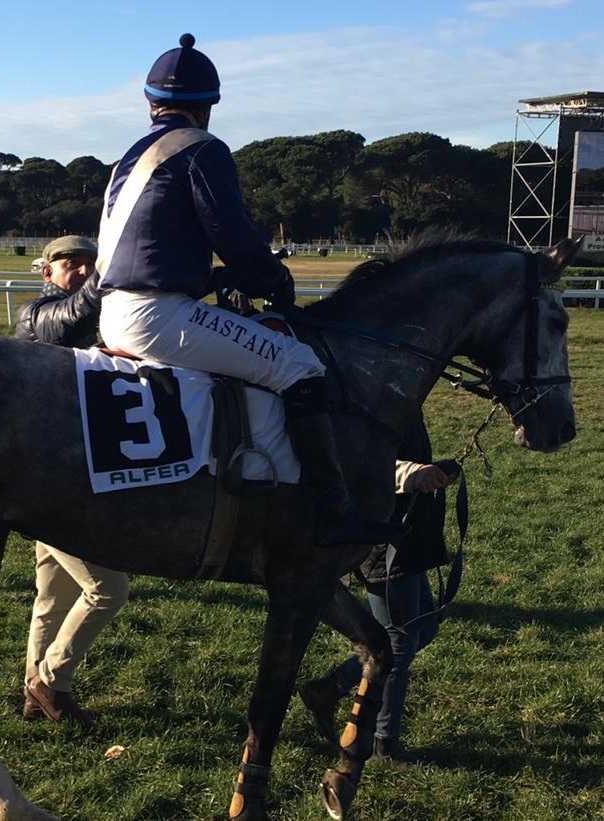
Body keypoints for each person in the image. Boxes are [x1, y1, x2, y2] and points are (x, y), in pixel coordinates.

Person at [96, 33, 403, 548]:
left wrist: (218, 279)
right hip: (159, 317)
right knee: (301, 365)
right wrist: (276, 282)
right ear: (209, 108)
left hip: (115, 308)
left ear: (150, 103)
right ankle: (332, 506)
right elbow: (232, 234)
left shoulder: (129, 157)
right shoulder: (202, 149)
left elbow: (151, 253)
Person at [15, 235, 130, 728]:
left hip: (72, 475)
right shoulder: (36, 315)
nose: (82, 271)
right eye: (70, 264)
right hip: (47, 482)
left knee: (53, 595)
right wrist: (114, 269)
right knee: (109, 588)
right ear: (47, 273)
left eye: (89, 264)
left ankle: (32, 694)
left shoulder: (94, 319)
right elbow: (69, 321)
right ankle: (52, 682)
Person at [298, 416, 457, 767]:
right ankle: (383, 743)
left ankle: (329, 688)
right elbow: (353, 460)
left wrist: (432, 471)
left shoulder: (407, 393)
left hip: (409, 532)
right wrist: (408, 473)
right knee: (397, 642)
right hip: (380, 536)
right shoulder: (366, 385)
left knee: (425, 628)